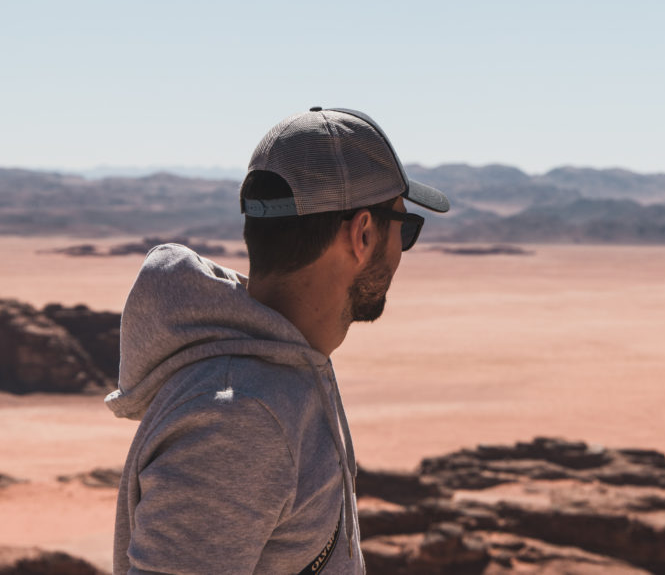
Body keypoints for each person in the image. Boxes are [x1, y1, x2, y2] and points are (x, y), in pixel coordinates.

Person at [106, 107, 449, 574]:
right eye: (404, 230)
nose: (401, 253)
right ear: (363, 234)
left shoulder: (284, 376)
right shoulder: (243, 421)